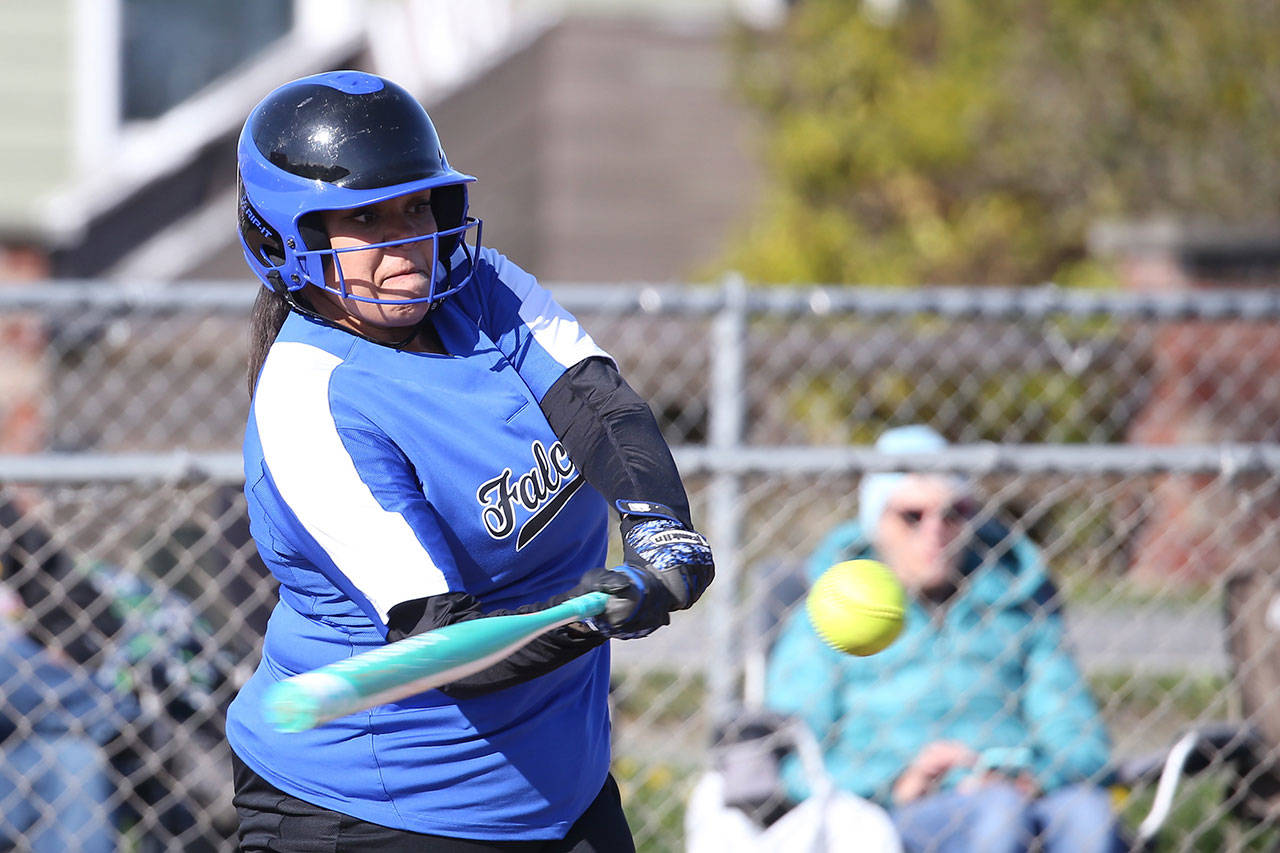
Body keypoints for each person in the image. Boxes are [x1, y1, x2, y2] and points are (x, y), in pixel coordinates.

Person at [226, 70, 714, 852]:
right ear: (288, 239)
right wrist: (601, 608)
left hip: (563, 789)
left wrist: (658, 529)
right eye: (367, 219)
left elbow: (600, 406)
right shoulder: (310, 401)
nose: (406, 242)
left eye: (417, 207)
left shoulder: (479, 290)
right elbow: (443, 646)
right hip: (381, 811)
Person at [765, 425, 1126, 853]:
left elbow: (1079, 736)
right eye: (912, 516)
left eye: (955, 512)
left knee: (1088, 816)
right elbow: (795, 760)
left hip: (1018, 784)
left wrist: (1021, 774)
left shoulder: (1017, 601)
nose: (935, 530)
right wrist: (898, 781)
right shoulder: (831, 610)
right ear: (875, 523)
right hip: (897, 807)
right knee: (998, 815)